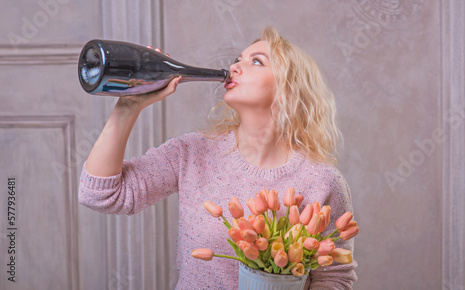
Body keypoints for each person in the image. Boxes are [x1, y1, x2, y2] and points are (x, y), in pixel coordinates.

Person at [78, 26, 357, 289]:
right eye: (238, 59)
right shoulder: (191, 153)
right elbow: (99, 194)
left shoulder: (323, 181)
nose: (235, 66)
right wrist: (128, 106)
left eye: (256, 61)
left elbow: (333, 278)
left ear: (288, 89)